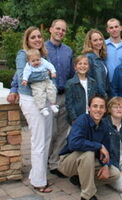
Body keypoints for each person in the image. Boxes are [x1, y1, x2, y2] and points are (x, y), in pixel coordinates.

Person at [58, 95, 120, 200]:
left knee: (115, 174)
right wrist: (98, 146)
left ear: (105, 110)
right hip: (67, 161)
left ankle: (79, 179)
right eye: (95, 106)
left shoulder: (104, 125)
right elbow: (73, 143)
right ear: (89, 108)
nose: (98, 110)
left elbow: (107, 150)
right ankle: (87, 195)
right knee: (89, 153)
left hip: (87, 161)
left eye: (101, 107)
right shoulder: (81, 120)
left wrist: (105, 165)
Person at [16, 26, 53, 193]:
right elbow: (21, 77)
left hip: (44, 99)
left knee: (46, 138)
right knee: (38, 140)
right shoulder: (22, 55)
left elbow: (33, 74)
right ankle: (38, 182)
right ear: (27, 40)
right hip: (30, 100)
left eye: (39, 36)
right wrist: (46, 74)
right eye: (33, 37)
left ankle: (36, 174)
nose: (37, 39)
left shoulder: (42, 55)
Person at [46, 19, 74, 177]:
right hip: (48, 98)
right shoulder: (41, 49)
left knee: (62, 133)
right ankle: (43, 161)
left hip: (64, 96)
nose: (60, 32)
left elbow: (71, 74)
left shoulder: (68, 51)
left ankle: (55, 164)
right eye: (58, 29)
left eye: (63, 30)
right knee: (49, 132)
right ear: (51, 29)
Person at [22, 49, 58, 116]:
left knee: (52, 89)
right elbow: (26, 73)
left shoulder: (43, 62)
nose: (36, 62)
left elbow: (50, 66)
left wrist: (53, 72)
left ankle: (53, 104)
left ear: (40, 58)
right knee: (39, 94)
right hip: (36, 83)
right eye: (33, 61)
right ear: (29, 61)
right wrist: (25, 80)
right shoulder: (28, 66)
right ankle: (42, 108)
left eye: (38, 60)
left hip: (46, 81)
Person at [65, 55, 100, 125]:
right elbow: (69, 104)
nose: (82, 66)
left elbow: (95, 99)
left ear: (88, 66)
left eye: (85, 64)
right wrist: (74, 119)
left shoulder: (93, 82)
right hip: (78, 117)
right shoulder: (70, 83)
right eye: (80, 64)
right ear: (75, 67)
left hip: (91, 116)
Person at [82, 29, 109, 97]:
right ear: (90, 42)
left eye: (100, 39)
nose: (99, 42)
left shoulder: (101, 59)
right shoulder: (88, 58)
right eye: (95, 40)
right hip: (95, 97)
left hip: (102, 96)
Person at [105, 18, 122, 82]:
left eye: (116, 27)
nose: (114, 29)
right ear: (107, 30)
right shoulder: (102, 45)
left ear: (120, 28)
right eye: (111, 28)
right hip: (105, 84)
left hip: (121, 84)